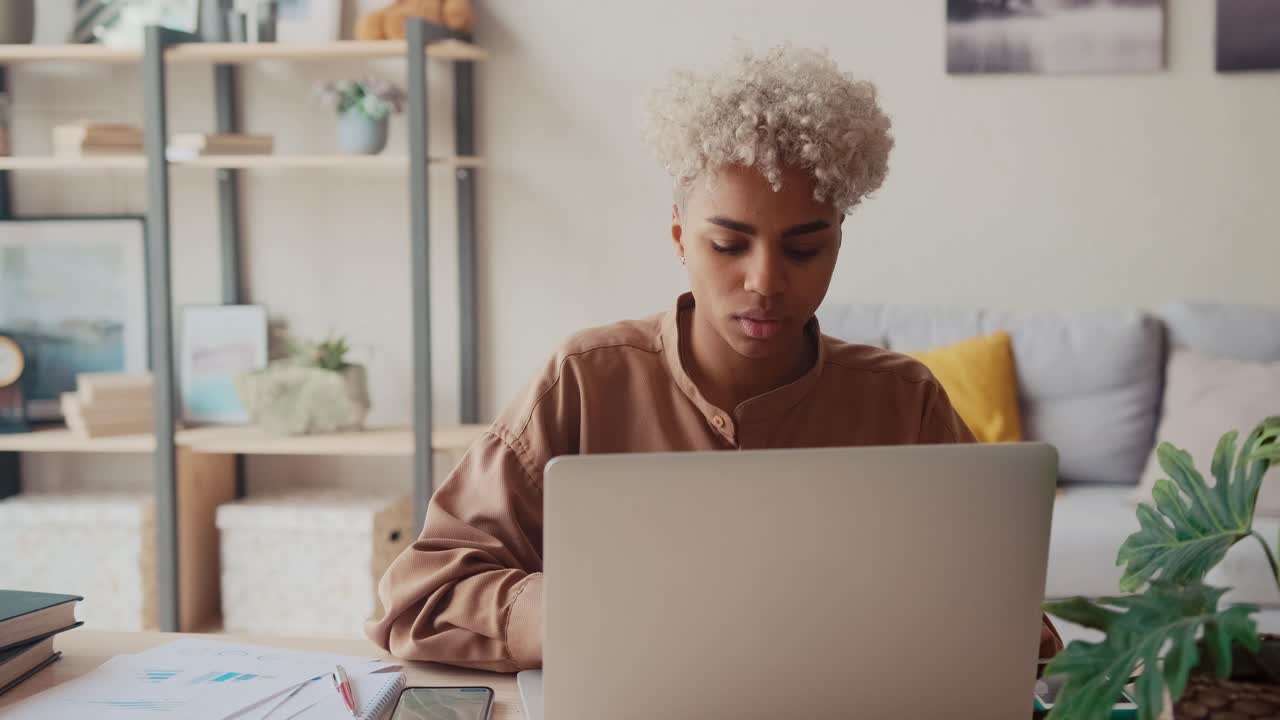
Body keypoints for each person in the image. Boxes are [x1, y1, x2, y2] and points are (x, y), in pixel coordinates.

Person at [366, 43, 1062, 672]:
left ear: (838, 243)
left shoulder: (904, 401)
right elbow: (418, 596)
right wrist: (583, 613)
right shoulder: (585, 379)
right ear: (678, 236)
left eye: (803, 248)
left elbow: (1013, 631)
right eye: (728, 245)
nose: (764, 281)